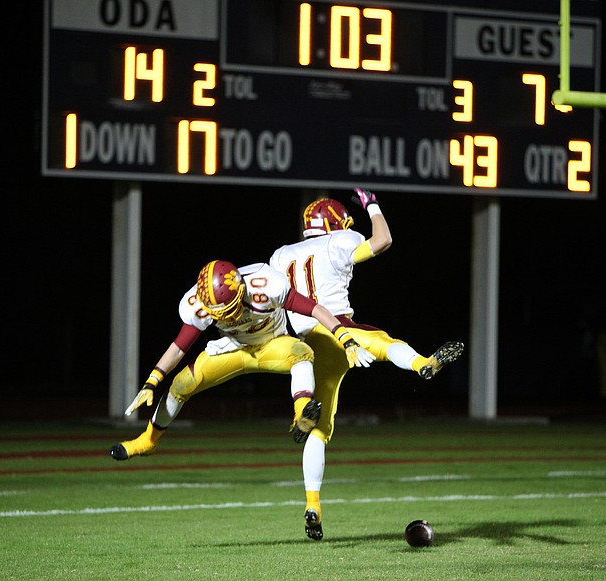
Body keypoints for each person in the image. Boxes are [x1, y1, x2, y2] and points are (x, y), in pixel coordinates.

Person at [268, 189, 464, 541]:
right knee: (384, 343)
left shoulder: (281, 255)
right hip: (339, 330)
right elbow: (383, 240)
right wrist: (372, 203)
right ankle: (422, 363)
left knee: (319, 429)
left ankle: (313, 503)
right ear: (334, 223)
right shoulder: (338, 240)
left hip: (304, 344)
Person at [109, 259, 376, 463]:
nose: (227, 317)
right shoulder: (198, 302)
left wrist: (345, 337)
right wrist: (152, 381)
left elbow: (316, 309)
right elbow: (179, 347)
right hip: (233, 349)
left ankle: (302, 415)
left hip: (272, 343)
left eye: (230, 309)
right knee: (180, 385)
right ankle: (147, 440)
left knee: (301, 352)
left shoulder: (267, 285)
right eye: (219, 313)